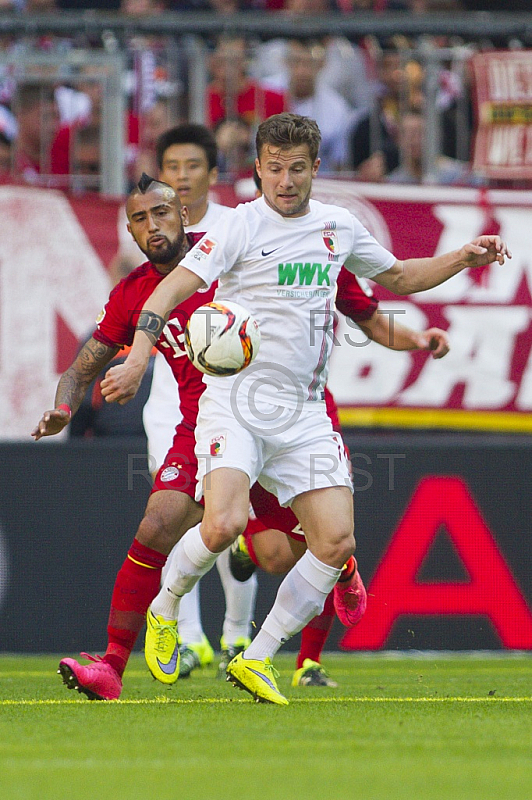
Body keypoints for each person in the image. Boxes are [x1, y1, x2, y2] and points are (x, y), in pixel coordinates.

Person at [97, 112, 510, 706]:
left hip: (304, 412)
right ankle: (165, 608)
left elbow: (399, 276)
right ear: (259, 168)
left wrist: (463, 257)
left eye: (296, 170)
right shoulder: (238, 226)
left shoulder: (337, 227)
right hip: (235, 402)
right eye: (273, 169)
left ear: (315, 169)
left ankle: (259, 656)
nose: (285, 181)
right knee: (223, 525)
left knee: (336, 543)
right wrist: (137, 359)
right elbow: (167, 291)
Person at [32, 176, 215, 700]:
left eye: (159, 213)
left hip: (271, 418)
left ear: (181, 211)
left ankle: (336, 565)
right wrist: (63, 407)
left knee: (284, 551)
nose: (151, 226)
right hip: (203, 426)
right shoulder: (132, 293)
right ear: (130, 230)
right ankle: (111, 665)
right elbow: (79, 369)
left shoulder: (226, 251)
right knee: (156, 523)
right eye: (138, 219)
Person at [144, 123, 258, 679]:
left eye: (192, 166)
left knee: (230, 523)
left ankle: (238, 632)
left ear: (213, 174)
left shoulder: (238, 227)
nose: (182, 177)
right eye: (172, 167)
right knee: (172, 522)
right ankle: (190, 640)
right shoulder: (148, 229)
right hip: (168, 406)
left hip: (227, 397)